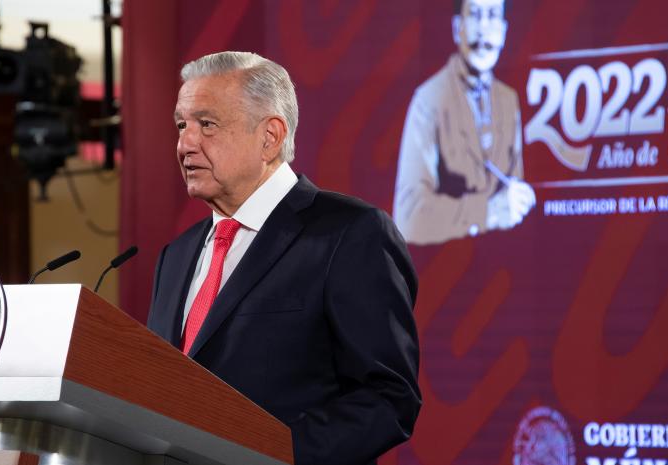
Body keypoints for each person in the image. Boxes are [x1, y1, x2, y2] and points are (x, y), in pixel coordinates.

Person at [146, 51, 421, 465]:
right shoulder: (176, 255)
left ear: (270, 137)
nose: (185, 144)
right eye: (182, 125)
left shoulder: (349, 233)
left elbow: (388, 397)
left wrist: (271, 453)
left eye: (207, 124)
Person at [392, 0, 536, 245]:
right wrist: (488, 212)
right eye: (475, 15)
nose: (483, 29)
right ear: (457, 27)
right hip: (445, 263)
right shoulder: (428, 100)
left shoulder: (509, 100)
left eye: (492, 15)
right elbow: (409, 217)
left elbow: (513, 194)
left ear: (503, 31)